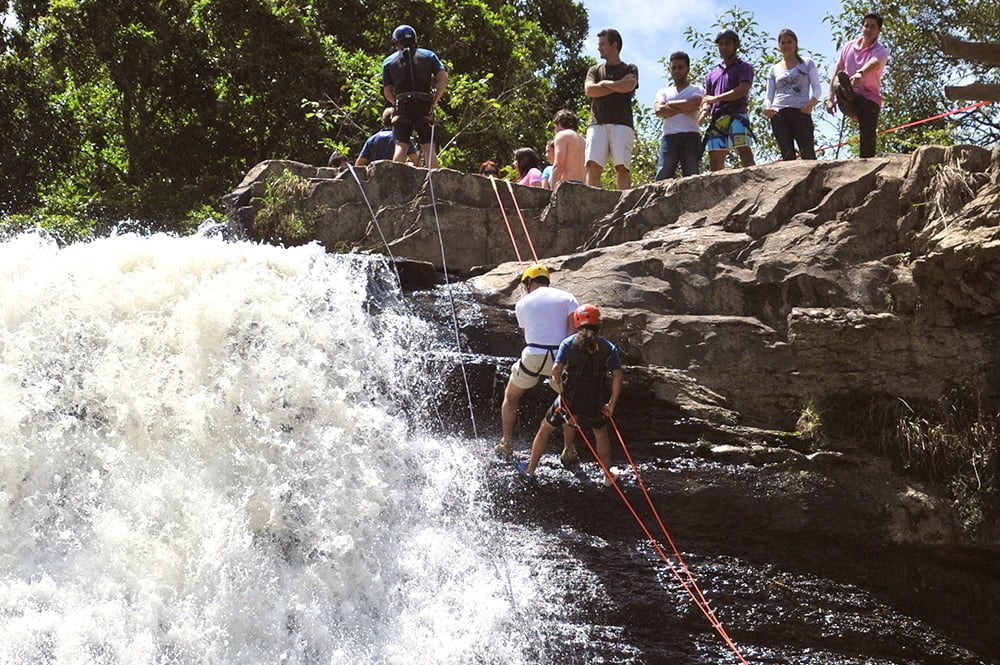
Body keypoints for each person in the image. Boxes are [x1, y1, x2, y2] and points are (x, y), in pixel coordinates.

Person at [522, 304, 624, 486]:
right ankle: (607, 476)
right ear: (598, 323)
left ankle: (530, 470)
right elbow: (617, 376)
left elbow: (556, 370)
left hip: (569, 400)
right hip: (595, 400)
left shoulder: (568, 343)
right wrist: (612, 405)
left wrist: (561, 389)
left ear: (577, 321)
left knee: (545, 428)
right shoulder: (608, 347)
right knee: (600, 433)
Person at [496, 264, 579, 458]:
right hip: (559, 357)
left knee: (511, 396)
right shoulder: (568, 297)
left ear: (528, 282)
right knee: (568, 403)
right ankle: (569, 449)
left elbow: (527, 334)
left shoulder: (522, 303)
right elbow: (573, 330)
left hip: (533, 355)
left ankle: (506, 443)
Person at [381, 24, 448, 168]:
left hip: (402, 103)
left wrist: (396, 103)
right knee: (428, 148)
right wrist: (435, 100)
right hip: (424, 102)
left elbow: (387, 92)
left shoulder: (388, 62)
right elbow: (443, 77)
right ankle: (434, 182)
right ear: (415, 39)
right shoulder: (429, 56)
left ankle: (396, 181)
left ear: (396, 41)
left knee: (401, 146)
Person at [826, 13, 888, 159]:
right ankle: (847, 90)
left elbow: (874, 63)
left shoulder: (880, 51)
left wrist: (860, 73)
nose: (868, 29)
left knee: (867, 136)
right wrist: (830, 99)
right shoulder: (848, 46)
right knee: (839, 82)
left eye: (873, 26)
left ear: (879, 30)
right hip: (848, 101)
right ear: (862, 27)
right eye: (866, 25)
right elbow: (836, 72)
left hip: (868, 100)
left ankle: (867, 164)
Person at [584, 28, 639, 190]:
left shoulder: (630, 68)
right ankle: (592, 204)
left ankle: (623, 207)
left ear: (614, 45)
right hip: (596, 123)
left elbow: (629, 86)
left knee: (622, 167)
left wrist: (604, 85)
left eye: (602, 44)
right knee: (593, 165)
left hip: (622, 123)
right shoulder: (594, 70)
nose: (598, 47)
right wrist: (617, 85)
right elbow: (590, 90)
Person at [700, 29, 756, 172]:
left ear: (736, 45)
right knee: (715, 157)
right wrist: (704, 111)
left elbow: (743, 89)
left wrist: (716, 98)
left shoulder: (744, 67)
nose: (724, 47)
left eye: (728, 44)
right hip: (718, 117)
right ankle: (717, 191)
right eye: (721, 44)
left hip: (737, 114)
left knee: (744, 151)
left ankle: (755, 182)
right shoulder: (712, 74)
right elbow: (707, 98)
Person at [763, 29, 822, 161]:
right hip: (779, 114)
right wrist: (767, 108)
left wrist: (810, 105)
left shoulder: (807, 63)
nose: (786, 45)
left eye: (789, 41)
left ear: (796, 43)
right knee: (787, 155)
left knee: (808, 153)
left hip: (800, 111)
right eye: (783, 42)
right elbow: (769, 96)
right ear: (779, 46)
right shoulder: (774, 69)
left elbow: (817, 89)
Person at [653, 51, 705, 179]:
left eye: (680, 67)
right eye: (674, 67)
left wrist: (670, 105)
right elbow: (659, 110)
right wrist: (684, 107)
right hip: (669, 137)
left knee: (692, 177)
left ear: (688, 69)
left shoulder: (697, 89)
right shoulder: (663, 92)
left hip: (691, 136)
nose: (677, 71)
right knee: (662, 175)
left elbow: (694, 104)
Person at [551, 109, 587, 187]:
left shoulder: (562, 135)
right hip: (584, 186)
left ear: (559, 124)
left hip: (568, 186)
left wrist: (552, 190)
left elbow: (558, 165)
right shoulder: (583, 140)